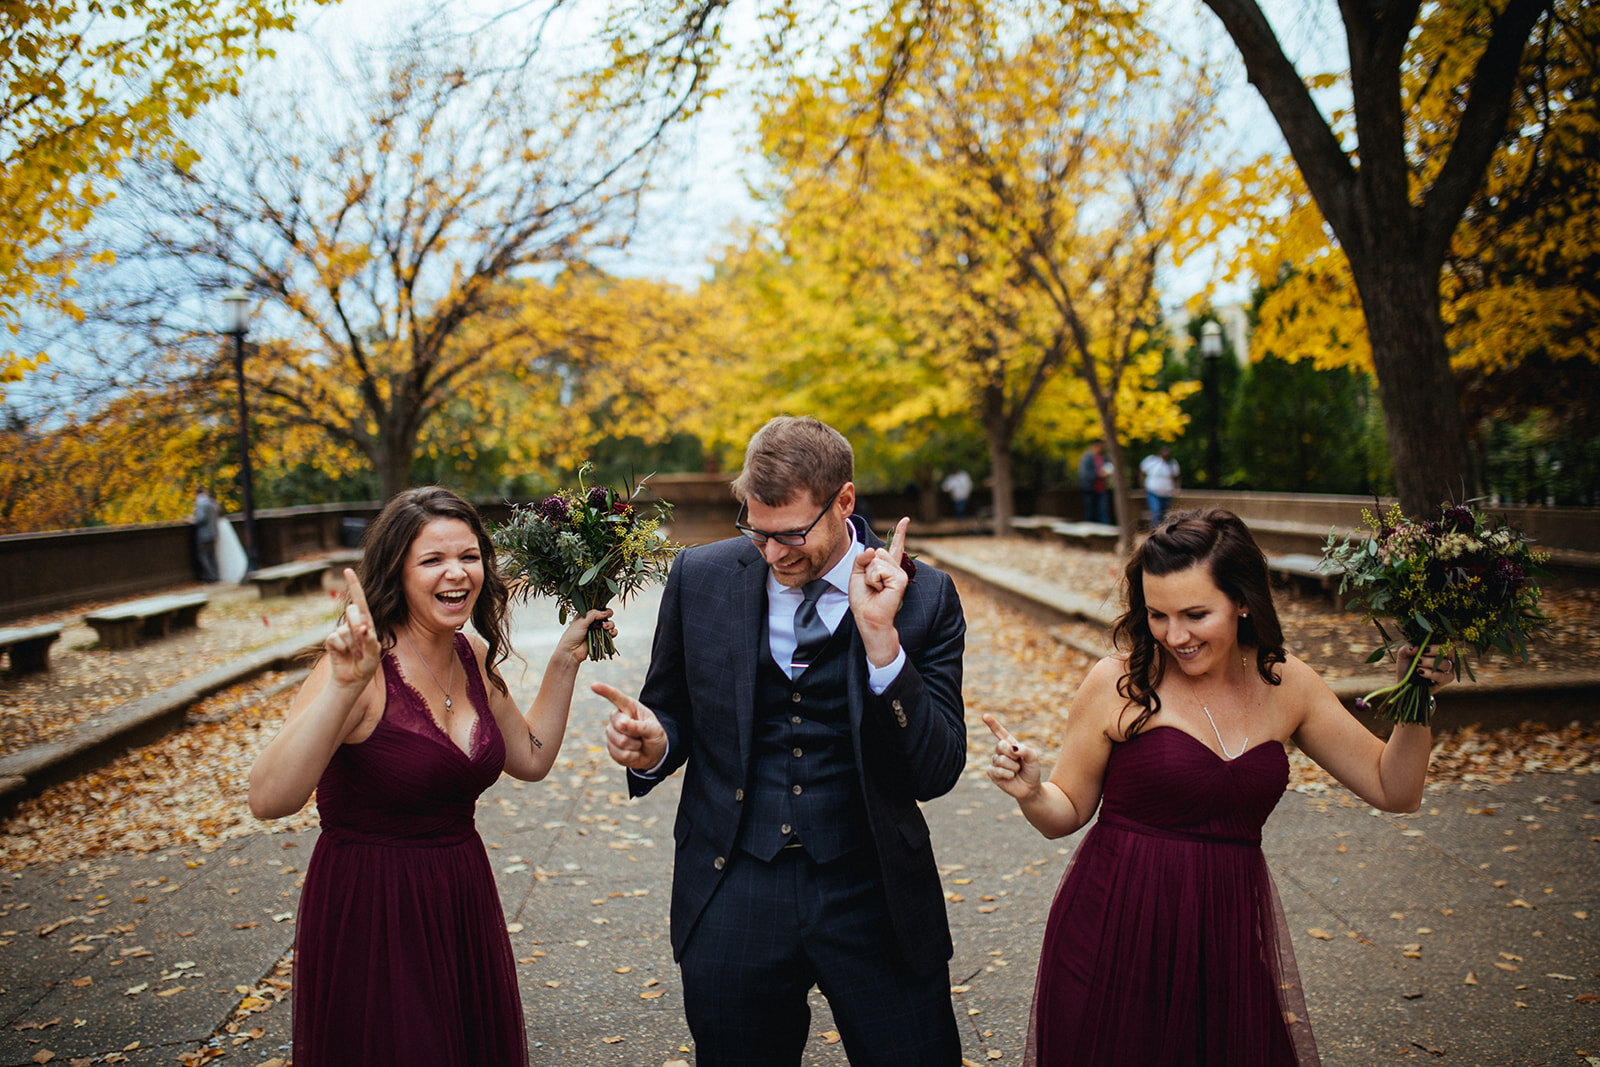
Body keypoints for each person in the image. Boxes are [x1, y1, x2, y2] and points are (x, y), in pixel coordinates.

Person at [982, 508, 1450, 1066]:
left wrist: (1416, 695)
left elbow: (1395, 789)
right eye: (1157, 614)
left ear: (1243, 600)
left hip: (1223, 939)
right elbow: (1067, 812)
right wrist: (1034, 791)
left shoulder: (1288, 683)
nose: (1174, 635)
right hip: (1114, 932)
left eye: (1195, 614)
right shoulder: (1119, 682)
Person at [592, 416, 967, 1066]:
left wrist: (884, 644)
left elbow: (935, 769)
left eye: (791, 533)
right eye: (756, 530)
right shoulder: (700, 577)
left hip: (871, 885)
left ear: (844, 502)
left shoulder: (925, 596)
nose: (772, 553)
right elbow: (670, 713)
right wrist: (652, 743)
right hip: (734, 880)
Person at [247, 486, 614, 1067]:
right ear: (397, 570)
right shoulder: (359, 669)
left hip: (460, 897)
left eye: (469, 556)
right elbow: (268, 798)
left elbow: (532, 756)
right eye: (433, 559)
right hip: (374, 907)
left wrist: (564, 660)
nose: (458, 573)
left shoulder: (467, 651)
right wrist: (343, 685)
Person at [1138, 445, 1181, 527]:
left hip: (1167, 493)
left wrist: (1177, 488)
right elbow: (1141, 471)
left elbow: (1177, 476)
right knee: (1156, 511)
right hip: (1153, 492)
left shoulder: (1172, 463)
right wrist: (1142, 485)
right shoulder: (1152, 460)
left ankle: (1161, 531)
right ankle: (1155, 531)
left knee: (1164, 514)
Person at [1077, 440, 1111, 524]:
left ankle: (1105, 531)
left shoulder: (1104, 457)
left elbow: (1108, 468)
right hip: (1090, 489)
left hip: (1102, 488)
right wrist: (1098, 474)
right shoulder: (1087, 458)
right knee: (1090, 512)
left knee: (1103, 511)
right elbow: (1085, 474)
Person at [192, 488, 220, 582]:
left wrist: (192, 520)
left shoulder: (200, 504)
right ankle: (216, 576)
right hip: (213, 533)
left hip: (204, 534)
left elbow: (200, 518)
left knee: (203, 556)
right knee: (212, 556)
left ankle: (210, 577)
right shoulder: (212, 503)